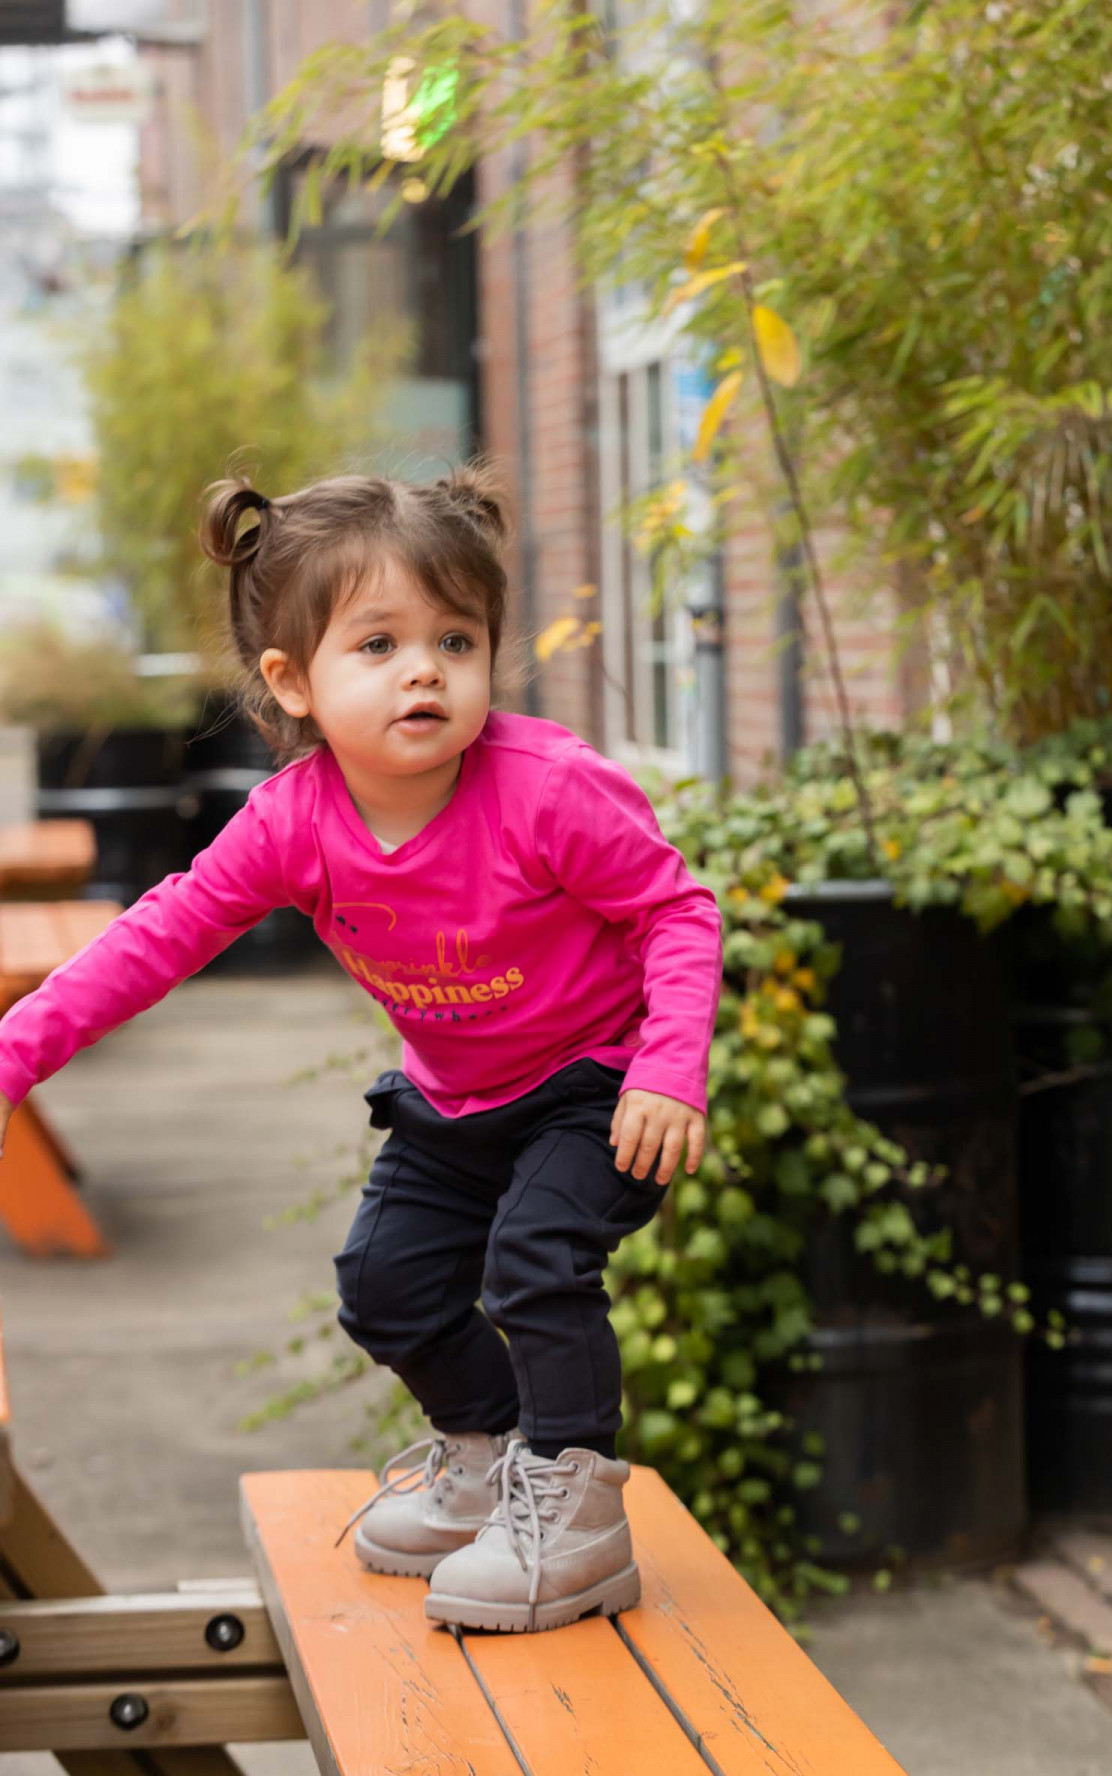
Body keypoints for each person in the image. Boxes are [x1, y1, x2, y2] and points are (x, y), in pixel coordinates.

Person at [0, 463, 724, 1634]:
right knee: (382, 1286)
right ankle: (488, 1455)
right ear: (293, 682)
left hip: (595, 1084)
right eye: (378, 644)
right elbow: (158, 937)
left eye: (455, 638)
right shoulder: (296, 822)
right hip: (455, 1101)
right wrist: (14, 1054)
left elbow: (676, 912)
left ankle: (579, 1506)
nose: (425, 668)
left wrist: (666, 1069)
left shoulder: (547, 791)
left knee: (537, 1258)